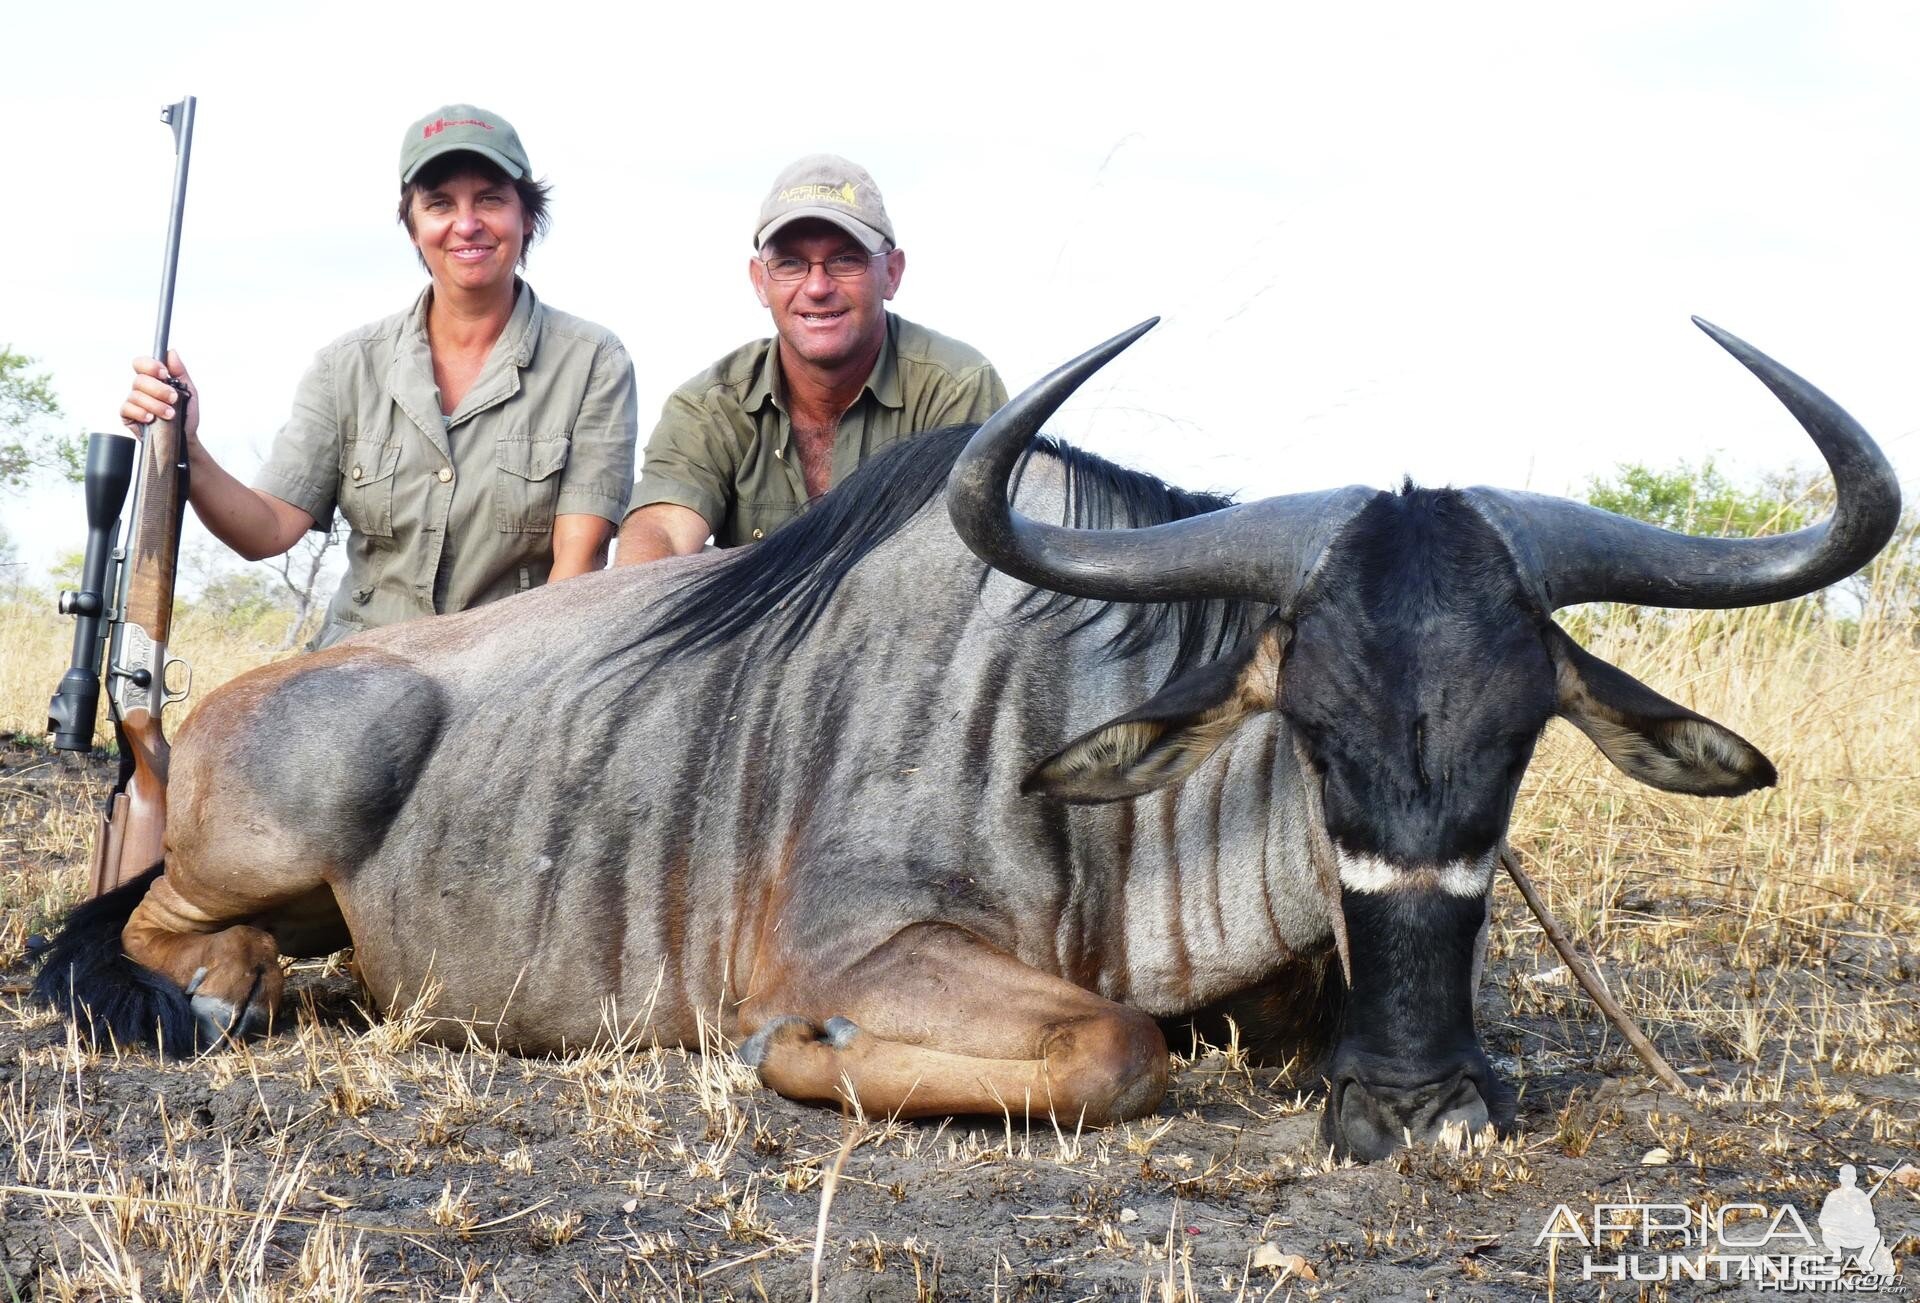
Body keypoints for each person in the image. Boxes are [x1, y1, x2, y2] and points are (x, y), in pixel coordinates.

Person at [121, 104, 638, 649]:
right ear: (413, 227)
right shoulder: (345, 364)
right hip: (356, 671)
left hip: (509, 670)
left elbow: (578, 563)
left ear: (527, 216)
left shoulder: (593, 360)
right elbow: (267, 530)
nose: (466, 224)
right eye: (440, 204)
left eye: (490, 198)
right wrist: (188, 446)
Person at [615, 154, 1006, 561]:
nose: (817, 287)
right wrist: (641, 593)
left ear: (891, 274)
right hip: (761, 625)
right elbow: (661, 527)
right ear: (760, 281)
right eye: (789, 263)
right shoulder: (709, 404)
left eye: (846, 259)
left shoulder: (957, 386)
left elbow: (968, 558)